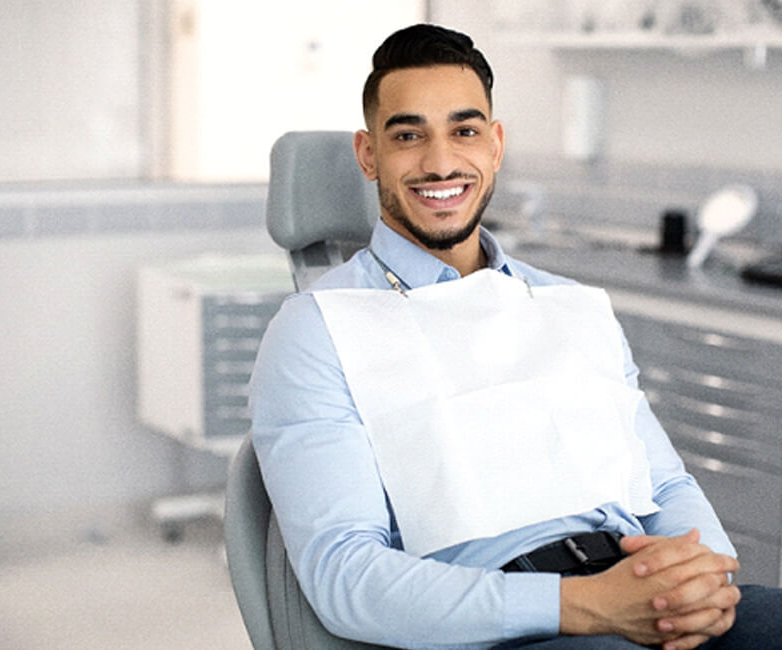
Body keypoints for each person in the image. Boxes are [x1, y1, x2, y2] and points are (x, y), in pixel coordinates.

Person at [248, 24, 781, 650]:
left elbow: (664, 487)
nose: (441, 162)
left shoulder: (568, 304)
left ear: (495, 145)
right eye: (409, 135)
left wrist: (704, 578)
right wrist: (579, 606)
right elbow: (346, 575)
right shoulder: (316, 330)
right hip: (508, 628)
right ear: (369, 155)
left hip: (638, 589)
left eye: (464, 131)